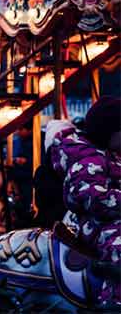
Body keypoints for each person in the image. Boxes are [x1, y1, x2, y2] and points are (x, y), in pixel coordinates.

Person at [49, 97, 121, 305]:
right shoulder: (86, 158)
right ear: (110, 132)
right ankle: (113, 299)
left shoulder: (109, 154)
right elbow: (93, 199)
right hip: (95, 224)